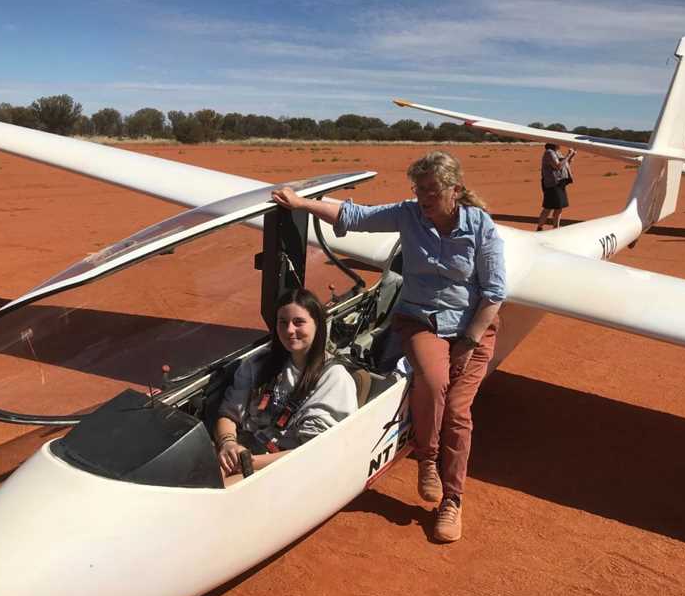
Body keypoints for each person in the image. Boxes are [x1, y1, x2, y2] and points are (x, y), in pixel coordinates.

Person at [272, 151, 506, 543]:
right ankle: (427, 458)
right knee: (432, 382)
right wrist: (300, 203)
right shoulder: (408, 214)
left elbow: (495, 292)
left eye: (432, 190)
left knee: (459, 411)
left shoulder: (480, 227)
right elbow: (355, 216)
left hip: (473, 327)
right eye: (418, 190)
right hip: (421, 321)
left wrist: (467, 342)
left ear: (455, 190)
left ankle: (452, 500)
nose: (424, 198)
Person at [214, 288, 357, 478]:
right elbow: (228, 414)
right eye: (283, 322)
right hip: (243, 452)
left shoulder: (334, 379)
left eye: (299, 322)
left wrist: (248, 462)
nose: (289, 330)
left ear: (318, 325)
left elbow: (314, 452)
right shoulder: (258, 364)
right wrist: (228, 443)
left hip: (289, 469)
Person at [536, 143, 576, 230]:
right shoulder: (549, 153)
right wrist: (568, 155)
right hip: (552, 184)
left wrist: (571, 156)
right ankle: (539, 228)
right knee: (548, 207)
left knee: (559, 207)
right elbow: (558, 166)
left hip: (560, 183)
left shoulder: (557, 152)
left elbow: (565, 164)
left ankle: (555, 228)